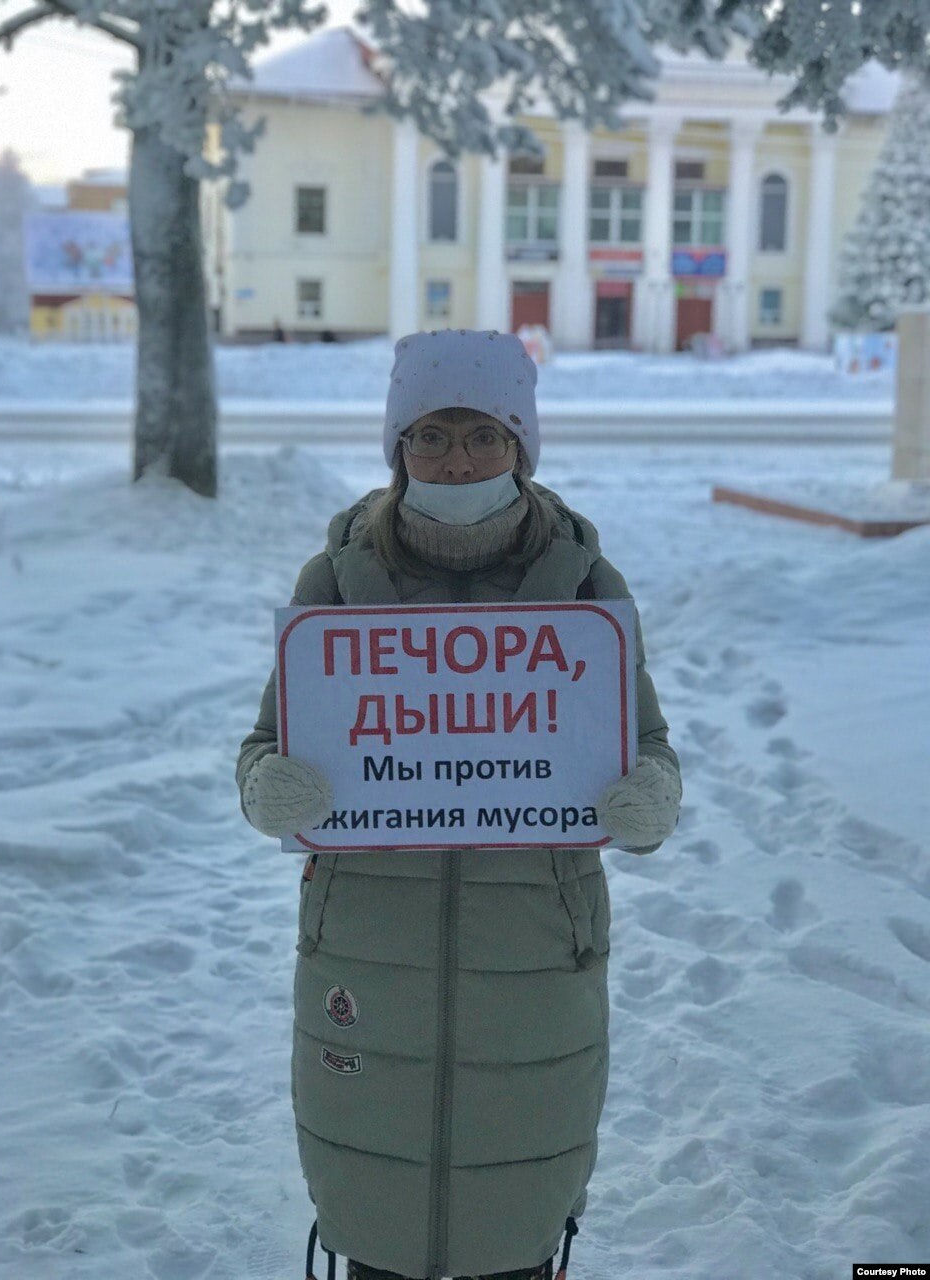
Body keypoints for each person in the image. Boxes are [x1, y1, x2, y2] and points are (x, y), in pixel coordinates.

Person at [236, 329, 681, 1280]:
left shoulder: (586, 587)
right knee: (376, 1207)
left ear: (520, 445)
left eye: (484, 434)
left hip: (535, 950)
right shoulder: (334, 583)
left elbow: (646, 745)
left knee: (515, 1212)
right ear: (399, 447)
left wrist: (649, 796)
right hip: (368, 947)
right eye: (431, 435)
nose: (458, 460)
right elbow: (267, 743)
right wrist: (268, 787)